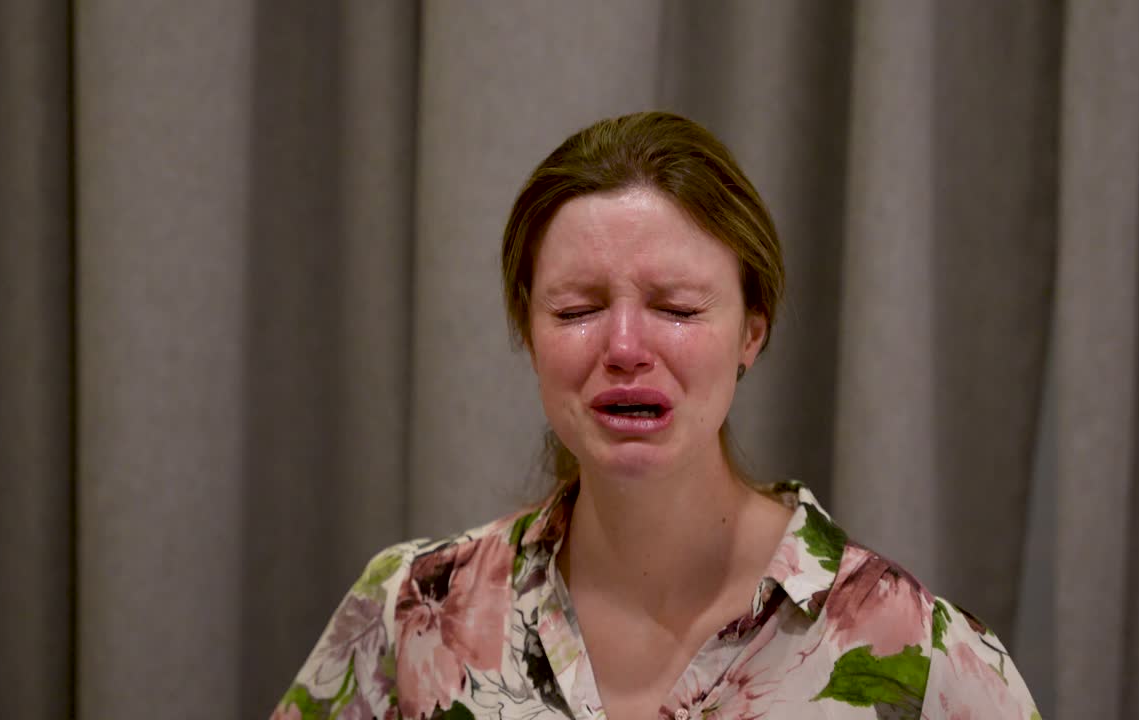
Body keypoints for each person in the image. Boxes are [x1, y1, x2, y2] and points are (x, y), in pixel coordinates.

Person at [271, 111, 1039, 720]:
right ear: (527, 334)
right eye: (577, 310)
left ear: (752, 331)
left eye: (676, 308)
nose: (626, 346)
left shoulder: (922, 656)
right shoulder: (411, 611)